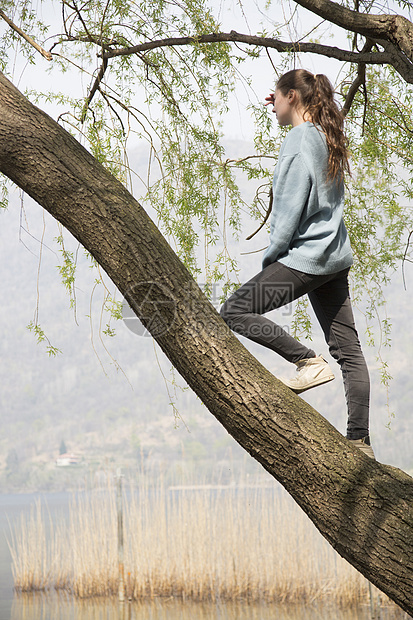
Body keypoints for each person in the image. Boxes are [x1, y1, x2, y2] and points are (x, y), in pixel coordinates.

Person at [220, 68, 375, 459]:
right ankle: (360, 442)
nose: (270, 103)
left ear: (292, 95)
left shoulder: (298, 139)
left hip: (307, 258)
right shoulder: (325, 135)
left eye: (276, 96)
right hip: (334, 258)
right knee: (349, 352)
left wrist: (272, 260)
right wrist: (285, 99)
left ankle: (307, 361)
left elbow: (288, 210)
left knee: (234, 309)